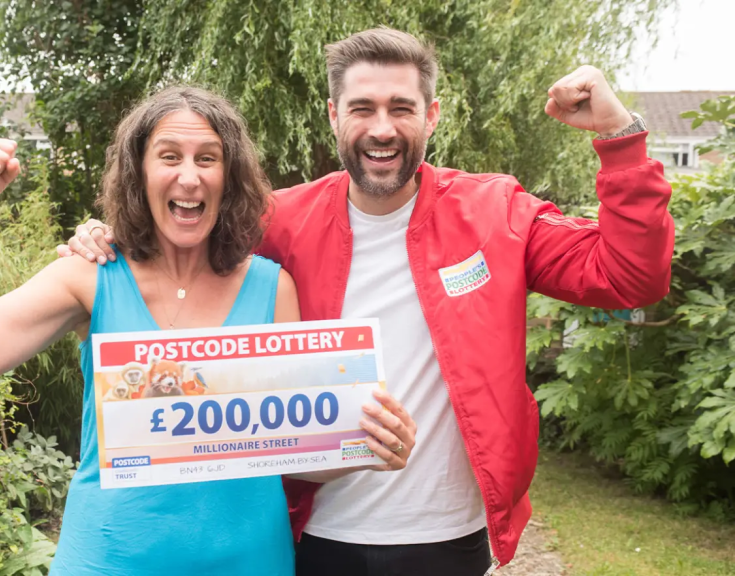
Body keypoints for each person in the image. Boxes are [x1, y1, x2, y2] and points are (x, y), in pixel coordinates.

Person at [58, 27, 674, 576]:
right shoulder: (277, 220)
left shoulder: (496, 213)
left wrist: (618, 137)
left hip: (449, 534)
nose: (383, 128)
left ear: (431, 116)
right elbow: (180, 237)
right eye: (363, 108)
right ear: (334, 116)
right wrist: (109, 239)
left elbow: (629, 278)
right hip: (316, 532)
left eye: (401, 108)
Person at [0, 86, 417, 576]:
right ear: (140, 172)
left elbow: (289, 454)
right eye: (169, 157)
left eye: (208, 158)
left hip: (251, 563)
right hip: (105, 562)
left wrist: (362, 446)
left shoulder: (272, 288)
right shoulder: (89, 275)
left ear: (230, 177)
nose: (189, 177)